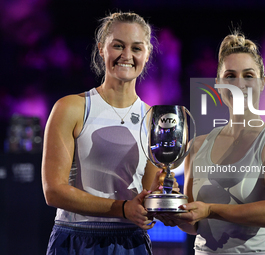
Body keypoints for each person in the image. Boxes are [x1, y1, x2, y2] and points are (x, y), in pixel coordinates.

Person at [157, 32, 265, 254]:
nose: (239, 84)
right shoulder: (197, 146)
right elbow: (193, 224)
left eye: (248, 75)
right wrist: (174, 209)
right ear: (218, 84)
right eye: (230, 76)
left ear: (262, 83)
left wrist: (209, 209)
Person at [42, 11, 170, 255]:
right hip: (76, 239)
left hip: (131, 242)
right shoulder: (71, 108)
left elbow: (147, 195)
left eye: (136, 48)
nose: (126, 56)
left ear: (147, 53)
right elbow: (53, 191)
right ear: (102, 49)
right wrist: (122, 208)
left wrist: (157, 201)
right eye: (118, 46)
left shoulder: (155, 118)